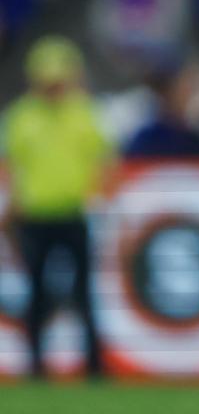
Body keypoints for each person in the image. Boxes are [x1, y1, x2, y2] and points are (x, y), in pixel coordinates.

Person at [1, 36, 115, 379]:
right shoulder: (21, 117)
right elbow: (10, 168)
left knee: (83, 293)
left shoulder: (84, 113)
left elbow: (105, 163)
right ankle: (36, 366)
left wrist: (99, 198)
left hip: (74, 214)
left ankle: (94, 366)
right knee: (36, 293)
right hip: (34, 217)